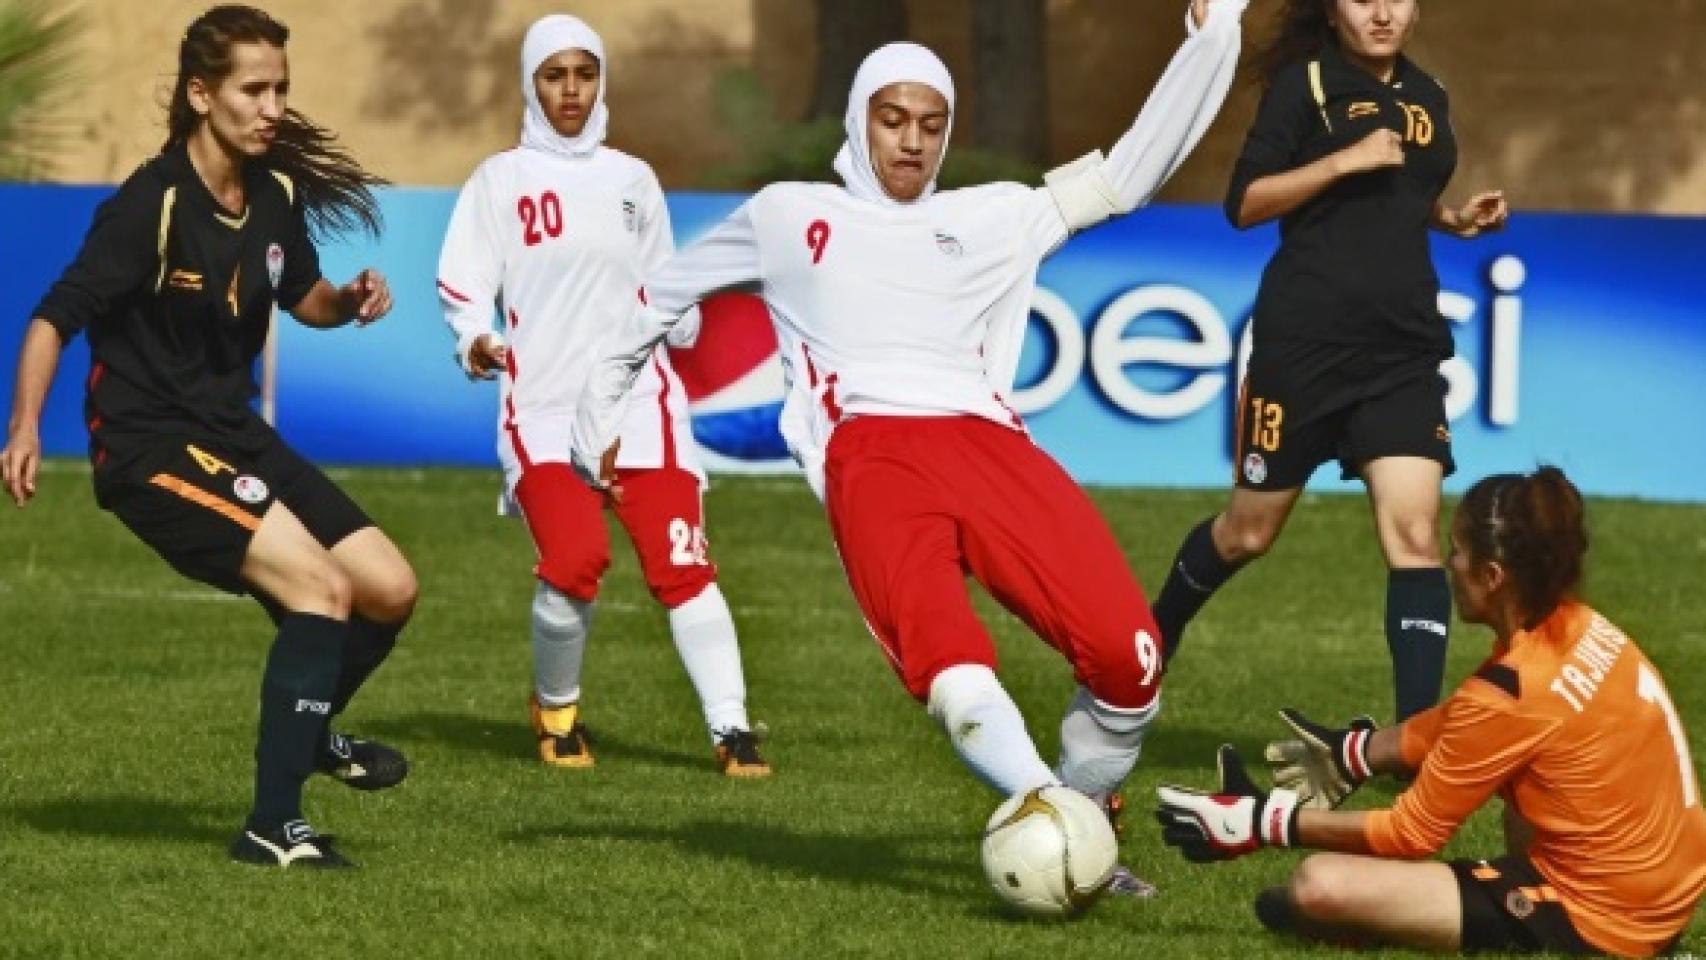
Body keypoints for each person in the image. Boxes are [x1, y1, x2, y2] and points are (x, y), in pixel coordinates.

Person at [573, 0, 1246, 886]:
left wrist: (1218, 33)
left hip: (993, 448)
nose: (912, 141)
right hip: (873, 456)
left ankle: (1074, 819)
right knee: (950, 662)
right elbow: (654, 299)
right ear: (860, 119)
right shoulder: (787, 213)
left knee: (1132, 664)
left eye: (931, 124)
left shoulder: (998, 215)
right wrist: (598, 420)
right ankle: (1064, 832)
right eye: (892, 119)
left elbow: (1131, 172)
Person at [0, 5, 415, 869]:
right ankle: (273, 824)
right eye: (252, 89)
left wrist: (351, 299)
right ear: (201, 94)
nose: (272, 108)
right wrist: (26, 426)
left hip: (234, 434)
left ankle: (312, 731)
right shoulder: (148, 208)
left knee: (387, 588)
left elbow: (304, 297)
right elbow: (52, 317)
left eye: (281, 90)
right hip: (148, 448)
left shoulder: (274, 195)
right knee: (319, 592)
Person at [1156, 467, 1706, 957]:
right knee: (1526, 780)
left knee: (1319, 888)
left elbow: (1410, 833)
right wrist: (1357, 754)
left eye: (1459, 551)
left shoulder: (1509, 696)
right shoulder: (1582, 627)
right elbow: (1467, 723)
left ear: (1492, 576)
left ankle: (1537, 919)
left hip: (1609, 923)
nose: (1449, 563)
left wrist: (1262, 822)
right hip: (1666, 890)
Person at [1148, 0, 1510, 722]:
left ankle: (1413, 745)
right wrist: (1342, 159)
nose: (1381, 12)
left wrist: (1455, 219)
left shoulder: (1428, 95)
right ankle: (1153, 636)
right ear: (1333, 9)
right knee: (1248, 533)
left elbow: (1404, 194)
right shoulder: (1304, 86)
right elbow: (1244, 202)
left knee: (1414, 538)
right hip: (1304, 347)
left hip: (1403, 348)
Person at [437, 14, 769, 777]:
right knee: (576, 559)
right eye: (554, 76)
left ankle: (732, 729)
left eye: (584, 74)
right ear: (531, 82)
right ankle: (557, 715)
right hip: (545, 411)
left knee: (684, 568)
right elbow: (464, 282)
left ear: (601, 81)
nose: (571, 91)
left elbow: (666, 286)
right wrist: (473, 337)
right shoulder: (501, 179)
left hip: (641, 409)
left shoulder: (633, 179)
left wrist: (683, 318)